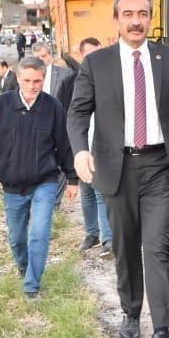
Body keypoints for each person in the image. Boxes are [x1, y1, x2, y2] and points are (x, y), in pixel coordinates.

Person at [67, 0, 169, 338]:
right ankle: (131, 312)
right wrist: (79, 150)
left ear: (150, 17)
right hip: (116, 168)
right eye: (128, 14)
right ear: (117, 20)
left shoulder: (168, 58)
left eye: (142, 13)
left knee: (157, 248)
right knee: (125, 247)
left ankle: (162, 332)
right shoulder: (97, 64)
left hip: (159, 168)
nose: (136, 20)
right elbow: (77, 113)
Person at [0, 58, 78, 300]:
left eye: (38, 81)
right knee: (17, 238)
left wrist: (72, 178)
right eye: (27, 80)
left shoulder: (53, 107)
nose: (32, 86)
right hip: (12, 186)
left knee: (39, 233)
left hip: (45, 182)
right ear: (18, 79)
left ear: (44, 79)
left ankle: (32, 286)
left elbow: (64, 146)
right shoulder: (1, 105)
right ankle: (24, 268)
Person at [55, 37, 111, 256]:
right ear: (82, 56)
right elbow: (62, 116)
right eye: (90, 55)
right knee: (86, 193)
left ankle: (108, 239)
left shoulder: (110, 80)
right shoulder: (70, 83)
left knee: (100, 192)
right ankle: (92, 233)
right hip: (79, 147)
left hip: (103, 147)